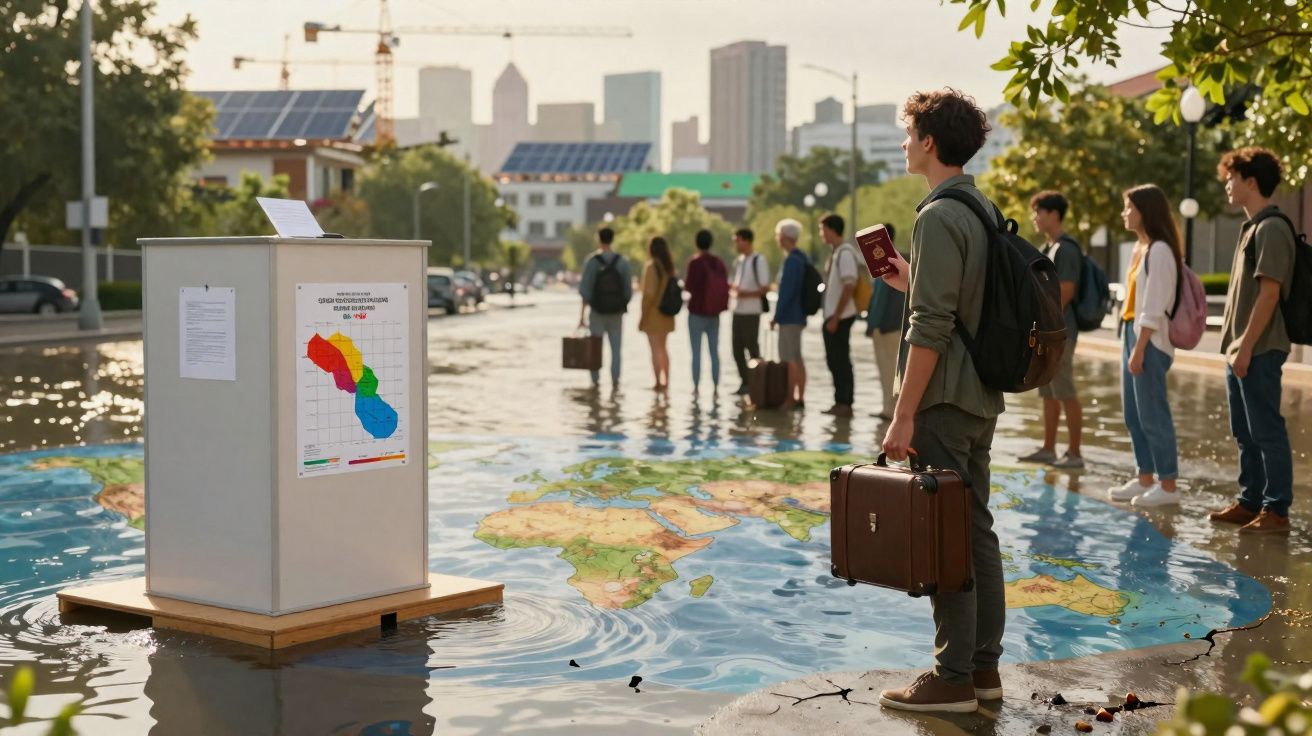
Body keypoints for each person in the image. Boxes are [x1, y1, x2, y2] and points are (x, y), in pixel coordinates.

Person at [877, 88, 1004, 714]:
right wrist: (911, 281)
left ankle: (949, 678)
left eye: (908, 134)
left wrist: (902, 416)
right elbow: (955, 305)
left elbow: (931, 327)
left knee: (945, 535)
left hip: (944, 403)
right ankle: (983, 672)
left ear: (929, 142)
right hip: (979, 397)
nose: (904, 144)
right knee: (976, 529)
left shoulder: (936, 215)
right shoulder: (979, 207)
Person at [1209, 147, 1295, 533]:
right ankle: (1251, 500)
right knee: (1245, 432)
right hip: (1240, 351)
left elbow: (1270, 294)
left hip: (1258, 348)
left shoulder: (1272, 228)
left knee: (1266, 430)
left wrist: (1244, 347)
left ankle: (1276, 510)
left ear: (1251, 182)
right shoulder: (1252, 228)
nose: (1227, 185)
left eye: (1231, 178)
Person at [1105, 184, 1182, 508]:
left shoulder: (1161, 250)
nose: (1124, 213)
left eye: (1128, 207)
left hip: (1149, 339)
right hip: (1132, 333)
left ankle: (1168, 484)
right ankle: (1145, 477)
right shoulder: (1142, 248)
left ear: (1144, 211)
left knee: (1153, 414)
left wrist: (1140, 347)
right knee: (1133, 415)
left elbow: (1154, 304)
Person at [1018, 191, 1085, 469]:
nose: (1035, 218)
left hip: (1061, 332)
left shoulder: (1066, 249)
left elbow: (1066, 291)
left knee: (1065, 389)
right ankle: (1048, 448)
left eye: (1039, 212)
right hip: (1047, 333)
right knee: (1047, 390)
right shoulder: (1048, 248)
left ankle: (1074, 453)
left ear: (1054, 214)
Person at [577, 227, 632, 387]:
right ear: (612, 239)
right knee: (616, 350)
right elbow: (628, 291)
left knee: (595, 347)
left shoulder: (592, 261)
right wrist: (621, 305)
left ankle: (595, 381)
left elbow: (585, 291)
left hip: (597, 313)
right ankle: (615, 381)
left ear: (598, 239)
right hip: (616, 314)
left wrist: (581, 316)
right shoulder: (622, 262)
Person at [819, 213, 860, 417]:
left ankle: (845, 402)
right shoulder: (836, 253)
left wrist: (836, 316)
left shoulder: (844, 253)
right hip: (834, 315)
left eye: (823, 229)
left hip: (841, 316)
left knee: (841, 360)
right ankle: (839, 401)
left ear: (832, 229)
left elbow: (849, 285)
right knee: (834, 360)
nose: (821, 234)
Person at [864, 223, 903, 420]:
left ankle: (891, 411)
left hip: (889, 327)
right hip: (881, 326)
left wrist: (880, 324)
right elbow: (876, 298)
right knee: (885, 369)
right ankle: (887, 408)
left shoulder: (895, 261)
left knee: (890, 370)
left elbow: (895, 299)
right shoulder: (882, 262)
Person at [685, 229, 729, 394]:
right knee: (714, 351)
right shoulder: (718, 262)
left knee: (696, 353)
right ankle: (716, 387)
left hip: (696, 312)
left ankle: (696, 388)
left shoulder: (695, 263)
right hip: (714, 314)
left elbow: (689, 286)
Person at [770, 218, 808, 410]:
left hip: (789, 317)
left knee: (789, 358)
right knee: (798, 357)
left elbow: (787, 292)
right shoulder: (802, 257)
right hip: (799, 316)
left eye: (778, 235)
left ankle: (790, 399)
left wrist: (776, 316)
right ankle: (800, 396)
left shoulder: (792, 260)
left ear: (784, 237)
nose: (777, 239)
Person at [730, 228, 771, 396]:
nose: (736, 244)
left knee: (752, 347)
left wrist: (744, 293)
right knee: (736, 348)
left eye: (738, 240)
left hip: (751, 311)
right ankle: (745, 381)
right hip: (738, 310)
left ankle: (758, 382)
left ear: (746, 241)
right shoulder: (740, 261)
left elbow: (765, 288)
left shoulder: (758, 260)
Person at [638, 236, 676, 391]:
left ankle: (657, 382)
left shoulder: (651, 266)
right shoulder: (669, 267)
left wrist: (642, 316)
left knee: (654, 350)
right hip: (667, 314)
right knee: (664, 349)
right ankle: (666, 381)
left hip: (653, 314)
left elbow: (648, 295)